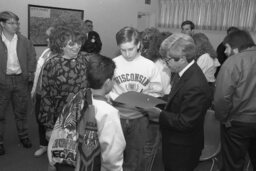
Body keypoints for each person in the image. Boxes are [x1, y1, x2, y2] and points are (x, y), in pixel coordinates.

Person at [146, 33, 212, 171]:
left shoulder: (195, 84)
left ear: (182, 59)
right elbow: (175, 98)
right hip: (175, 141)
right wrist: (153, 100)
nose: (165, 63)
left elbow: (186, 122)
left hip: (184, 147)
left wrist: (159, 115)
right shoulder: (184, 72)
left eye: (167, 59)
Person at [108, 26, 163, 171]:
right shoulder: (113, 64)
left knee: (135, 156)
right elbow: (106, 88)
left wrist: (147, 98)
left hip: (140, 118)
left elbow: (157, 90)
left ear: (138, 44)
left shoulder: (149, 65)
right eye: (123, 50)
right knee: (114, 155)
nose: (126, 54)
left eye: (130, 49)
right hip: (117, 116)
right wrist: (113, 97)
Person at [214, 30, 256, 171]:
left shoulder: (232, 62)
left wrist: (223, 118)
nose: (225, 52)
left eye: (226, 47)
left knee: (232, 164)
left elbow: (221, 98)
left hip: (237, 122)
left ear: (235, 47)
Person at [76, 54, 126, 171]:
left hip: (77, 161)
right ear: (108, 82)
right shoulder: (109, 113)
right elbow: (112, 153)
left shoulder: (78, 98)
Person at [38, 24, 89, 137]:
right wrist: (49, 126)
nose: (76, 47)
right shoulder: (52, 64)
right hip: (60, 115)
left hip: (81, 114)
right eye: (71, 44)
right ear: (61, 45)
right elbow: (46, 96)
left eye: (79, 43)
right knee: (62, 150)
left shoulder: (83, 60)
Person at [0, 11, 36, 155]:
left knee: (21, 112)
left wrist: (29, 73)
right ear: (2, 24)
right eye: (11, 23)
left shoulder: (24, 41)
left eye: (17, 23)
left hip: (21, 80)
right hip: (3, 82)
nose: (15, 25)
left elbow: (32, 57)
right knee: (0, 114)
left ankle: (24, 136)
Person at [140, 27, 171, 171]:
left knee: (148, 146)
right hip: (145, 106)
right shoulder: (150, 63)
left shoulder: (160, 64)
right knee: (145, 146)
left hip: (152, 106)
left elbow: (162, 89)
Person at [31, 27, 55, 157]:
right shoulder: (46, 51)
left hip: (51, 97)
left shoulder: (61, 55)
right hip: (40, 93)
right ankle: (43, 145)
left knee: (53, 122)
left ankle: (55, 147)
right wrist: (34, 90)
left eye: (49, 37)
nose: (47, 40)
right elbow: (38, 72)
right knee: (40, 120)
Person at [192, 32, 220, 100]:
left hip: (205, 86)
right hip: (208, 85)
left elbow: (194, 75)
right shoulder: (209, 55)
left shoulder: (205, 57)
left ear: (197, 45)